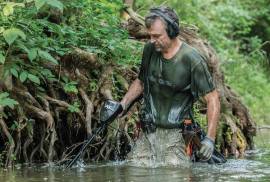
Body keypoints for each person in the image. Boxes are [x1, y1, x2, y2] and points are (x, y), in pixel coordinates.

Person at [120, 6, 220, 166]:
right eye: (150, 35)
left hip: (177, 134)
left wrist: (209, 139)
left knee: (171, 172)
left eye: (157, 36)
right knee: (134, 170)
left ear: (172, 32)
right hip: (148, 131)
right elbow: (140, 82)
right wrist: (122, 104)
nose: (151, 40)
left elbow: (213, 99)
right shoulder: (149, 50)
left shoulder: (192, 59)